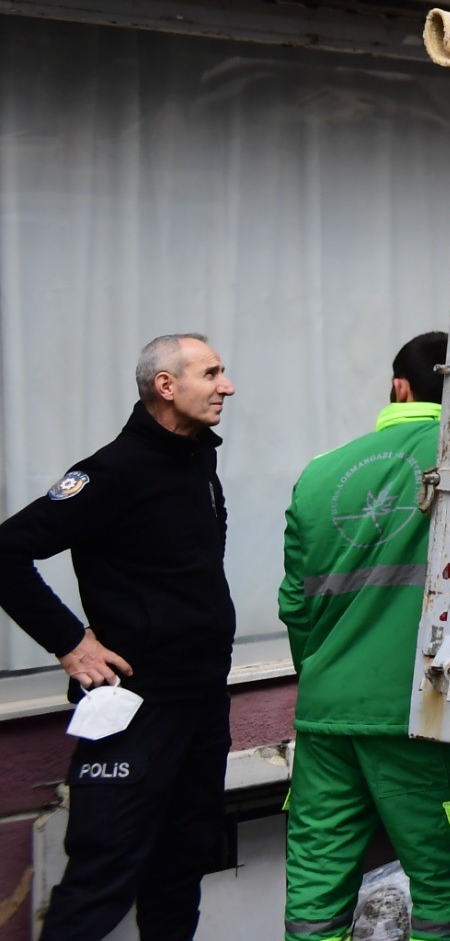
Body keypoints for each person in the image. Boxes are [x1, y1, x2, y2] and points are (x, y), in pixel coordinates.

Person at [0, 333, 237, 941]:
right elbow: (6, 552)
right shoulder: (112, 471)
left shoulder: (198, 461)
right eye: (212, 374)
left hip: (203, 702)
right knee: (102, 876)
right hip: (137, 709)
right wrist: (71, 643)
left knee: (181, 868)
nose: (227, 387)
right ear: (167, 386)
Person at [280, 332, 450, 941]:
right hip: (420, 712)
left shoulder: (319, 474)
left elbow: (294, 605)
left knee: (316, 890)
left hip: (326, 719)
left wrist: (325, 677)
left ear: (400, 387)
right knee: (445, 891)